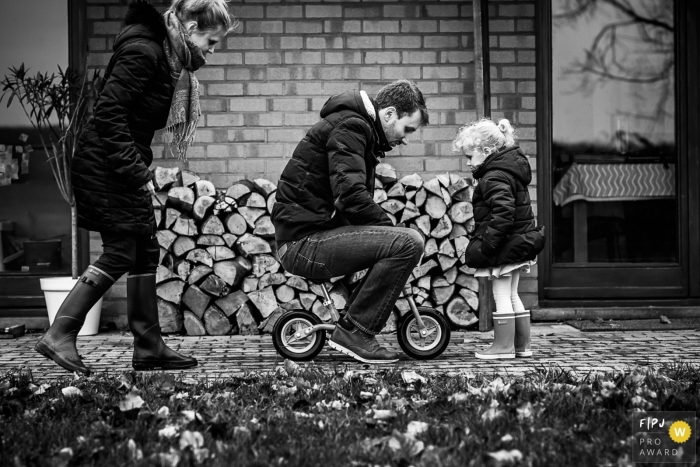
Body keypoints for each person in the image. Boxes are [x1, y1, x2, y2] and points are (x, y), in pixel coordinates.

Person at [35, 0, 236, 375]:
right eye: (211, 40)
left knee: (144, 249)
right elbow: (108, 112)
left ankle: (149, 346)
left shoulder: (164, 55)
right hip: (107, 165)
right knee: (121, 251)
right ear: (190, 28)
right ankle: (60, 333)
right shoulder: (145, 51)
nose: (212, 50)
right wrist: (135, 168)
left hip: (118, 163)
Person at [271, 80, 430, 364]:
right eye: (407, 129)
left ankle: (353, 326)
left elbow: (345, 197)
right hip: (303, 244)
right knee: (409, 242)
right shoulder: (351, 127)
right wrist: (391, 234)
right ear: (390, 114)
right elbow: (351, 195)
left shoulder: (354, 127)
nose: (405, 139)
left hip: (308, 238)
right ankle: (356, 331)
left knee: (401, 242)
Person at [453, 118, 545, 360]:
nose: (469, 162)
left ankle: (503, 348)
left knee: (502, 295)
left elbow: (503, 213)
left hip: (505, 244)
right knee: (513, 294)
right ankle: (521, 347)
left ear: (486, 152)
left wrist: (489, 244)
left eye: (470, 156)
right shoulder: (509, 170)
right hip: (518, 242)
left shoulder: (494, 176)